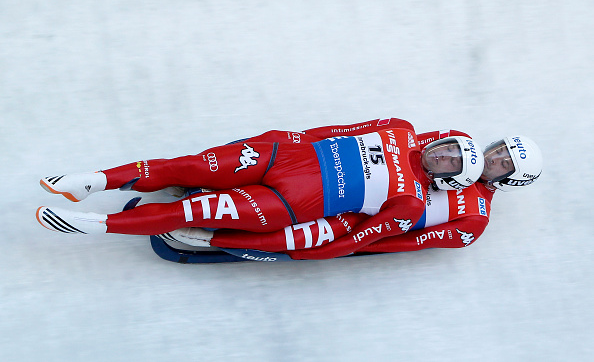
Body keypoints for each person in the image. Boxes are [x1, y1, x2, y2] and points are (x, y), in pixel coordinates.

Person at [36, 119, 484, 259]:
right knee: (186, 166)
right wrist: (288, 136)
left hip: (290, 202)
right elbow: (337, 129)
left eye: (450, 162)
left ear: (449, 178)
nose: (441, 154)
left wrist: (295, 252)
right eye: (446, 148)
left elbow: (358, 240)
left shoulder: (408, 201)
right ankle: (93, 181)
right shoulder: (402, 131)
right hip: (284, 157)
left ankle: (97, 225)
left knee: (193, 211)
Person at [154, 131, 542, 259]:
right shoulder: (460, 144)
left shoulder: (475, 219)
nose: (494, 159)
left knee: (308, 230)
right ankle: (211, 186)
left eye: (504, 163)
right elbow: (409, 151)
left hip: (364, 219)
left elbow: (404, 242)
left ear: (511, 180)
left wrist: (354, 244)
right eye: (498, 150)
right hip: (364, 184)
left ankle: (211, 239)